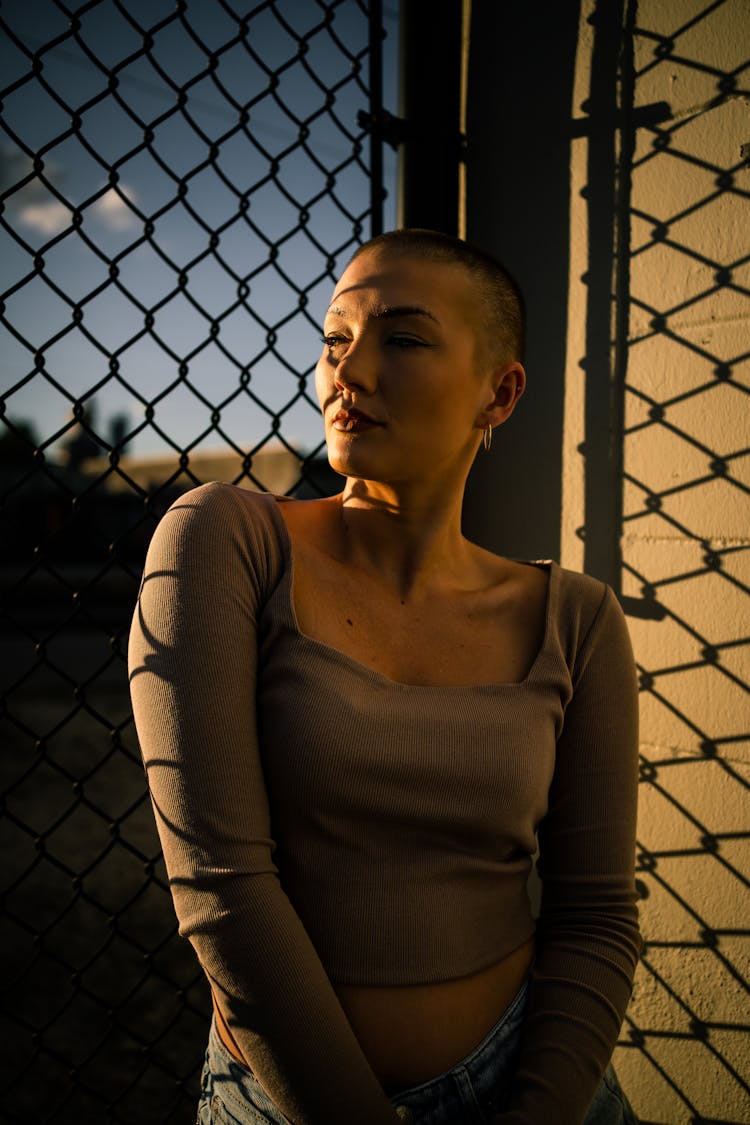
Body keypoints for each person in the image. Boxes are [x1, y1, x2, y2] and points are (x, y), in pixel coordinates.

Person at [128, 229, 641, 1125]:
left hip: (536, 1079)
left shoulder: (577, 619)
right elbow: (220, 884)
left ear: (501, 391)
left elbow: (595, 912)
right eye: (336, 337)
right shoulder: (227, 538)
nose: (348, 370)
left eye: (402, 339)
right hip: (286, 1099)